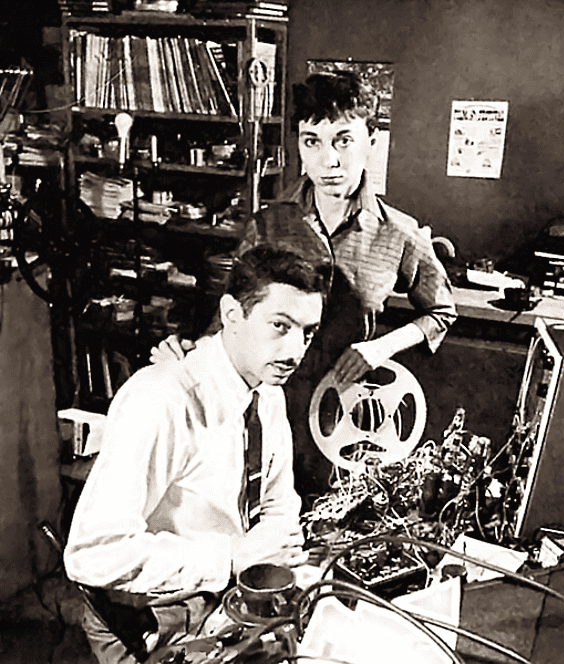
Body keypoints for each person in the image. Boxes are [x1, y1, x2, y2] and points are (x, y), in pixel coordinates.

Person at [153, 70, 457, 505]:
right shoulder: (269, 225)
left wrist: (379, 348)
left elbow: (441, 312)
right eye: (312, 141)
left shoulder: (400, 233)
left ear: (371, 141)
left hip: (348, 418)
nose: (328, 161)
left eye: (343, 141)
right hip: (267, 412)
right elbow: (233, 318)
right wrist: (190, 356)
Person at [64, 245, 328, 664]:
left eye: (307, 332)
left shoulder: (268, 393)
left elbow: (278, 505)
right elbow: (92, 554)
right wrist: (233, 557)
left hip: (225, 596)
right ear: (232, 314)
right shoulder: (161, 399)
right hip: (151, 619)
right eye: (280, 326)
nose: (296, 350)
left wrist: (279, 557)